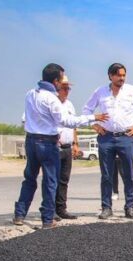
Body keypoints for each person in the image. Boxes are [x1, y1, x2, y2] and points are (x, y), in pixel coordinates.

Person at [14, 63, 108, 228]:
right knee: (51, 181)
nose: (65, 87)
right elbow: (67, 121)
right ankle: (48, 219)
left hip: (31, 141)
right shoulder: (52, 99)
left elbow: (27, 118)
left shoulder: (30, 94)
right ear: (56, 81)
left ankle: (19, 215)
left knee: (29, 178)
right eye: (62, 81)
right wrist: (93, 117)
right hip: (47, 143)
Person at [83, 62, 133, 220]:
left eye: (123, 75)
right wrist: (93, 125)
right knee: (106, 175)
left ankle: (130, 207)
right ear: (110, 76)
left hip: (126, 137)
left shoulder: (132, 91)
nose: (122, 78)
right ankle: (106, 208)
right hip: (106, 137)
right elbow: (86, 109)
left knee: (129, 174)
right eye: (118, 75)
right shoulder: (100, 92)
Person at [54, 75, 80, 220]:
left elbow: (73, 126)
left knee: (64, 180)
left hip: (67, 147)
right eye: (64, 88)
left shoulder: (70, 105)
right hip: (55, 147)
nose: (67, 91)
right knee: (53, 179)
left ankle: (61, 208)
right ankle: (50, 209)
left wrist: (75, 144)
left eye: (68, 88)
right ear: (57, 87)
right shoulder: (51, 103)